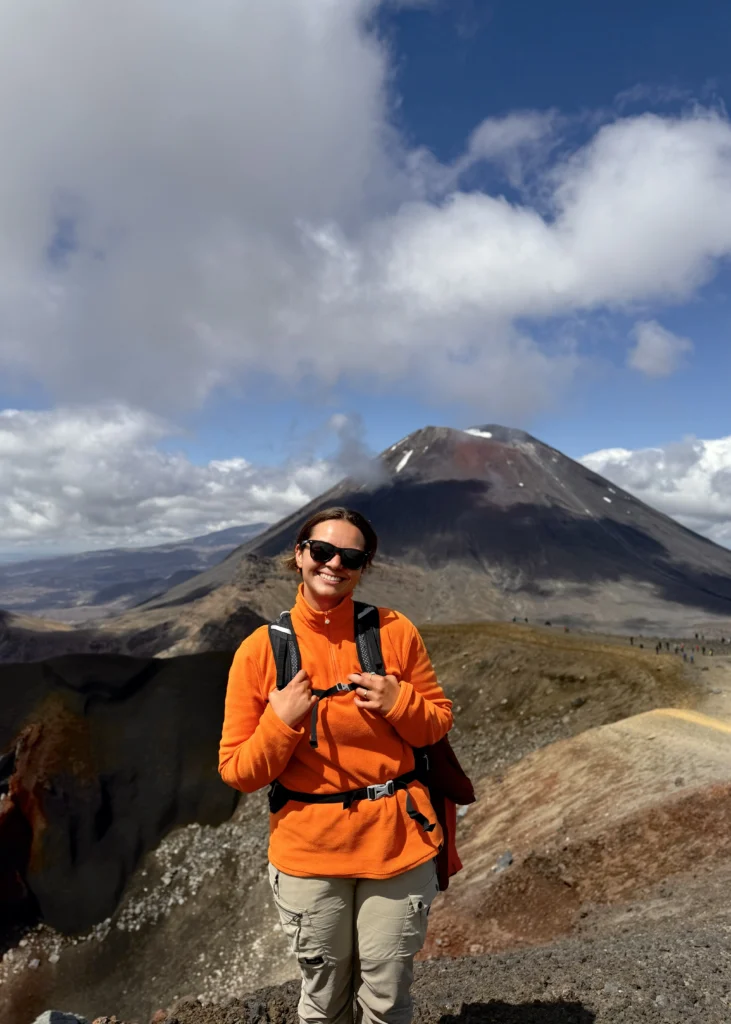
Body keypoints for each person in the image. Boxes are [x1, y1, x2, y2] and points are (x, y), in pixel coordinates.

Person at [219, 507, 453, 1024]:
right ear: (299, 555)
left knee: (388, 997)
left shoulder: (395, 632)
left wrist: (398, 701)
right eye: (322, 551)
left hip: (397, 843)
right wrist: (281, 722)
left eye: (351, 556)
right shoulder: (259, 652)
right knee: (323, 1001)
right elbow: (238, 770)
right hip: (310, 853)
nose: (334, 564)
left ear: (363, 566)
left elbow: (435, 725)